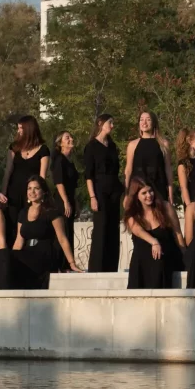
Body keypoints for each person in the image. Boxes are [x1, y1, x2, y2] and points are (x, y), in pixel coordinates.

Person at [0, 176, 83, 290]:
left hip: (44, 255)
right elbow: (19, 240)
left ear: (44, 192)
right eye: (29, 188)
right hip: (27, 252)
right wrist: (11, 256)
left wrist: (71, 263)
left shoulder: (52, 212)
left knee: (5, 258)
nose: (32, 192)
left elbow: (62, 239)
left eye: (36, 188)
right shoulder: (23, 212)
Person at [124, 177, 185, 290]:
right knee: (143, 250)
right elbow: (138, 231)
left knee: (159, 258)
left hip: (166, 256)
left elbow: (178, 233)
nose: (149, 195)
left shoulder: (165, 207)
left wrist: (185, 254)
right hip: (143, 260)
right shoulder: (132, 215)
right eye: (144, 193)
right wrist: (154, 242)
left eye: (150, 191)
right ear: (136, 196)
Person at [84, 114, 122, 272]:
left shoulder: (112, 146)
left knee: (113, 228)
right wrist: (92, 196)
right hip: (99, 190)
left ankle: (111, 267)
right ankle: (97, 268)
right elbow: (88, 175)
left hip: (114, 190)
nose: (112, 126)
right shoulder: (91, 146)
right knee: (101, 227)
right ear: (100, 123)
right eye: (110, 123)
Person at [2, 115, 48, 225]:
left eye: (21, 128)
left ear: (29, 128)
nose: (18, 131)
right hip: (13, 192)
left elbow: (42, 177)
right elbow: (8, 171)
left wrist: (41, 196)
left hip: (31, 193)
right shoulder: (14, 147)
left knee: (30, 223)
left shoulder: (43, 150)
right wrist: (3, 192)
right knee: (12, 223)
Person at [125, 111, 174, 203]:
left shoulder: (163, 144)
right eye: (141, 120)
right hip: (139, 190)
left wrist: (170, 193)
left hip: (159, 188)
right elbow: (128, 170)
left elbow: (168, 168)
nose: (144, 122)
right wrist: (127, 193)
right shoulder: (132, 145)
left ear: (154, 122)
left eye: (148, 120)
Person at [50, 131, 80, 264]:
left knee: (69, 230)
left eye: (71, 137)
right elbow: (59, 183)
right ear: (60, 143)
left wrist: (75, 202)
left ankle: (68, 263)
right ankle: (61, 264)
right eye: (67, 138)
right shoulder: (60, 160)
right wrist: (66, 201)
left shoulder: (70, 162)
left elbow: (73, 185)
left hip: (70, 199)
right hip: (62, 200)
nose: (71, 139)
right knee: (63, 231)